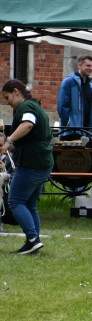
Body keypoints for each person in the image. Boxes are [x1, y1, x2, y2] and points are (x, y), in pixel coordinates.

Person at [0, 80, 54, 255]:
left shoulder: (26, 108)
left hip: (32, 162)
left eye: (7, 97)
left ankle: (32, 239)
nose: (6, 102)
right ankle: (33, 243)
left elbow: (28, 124)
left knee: (15, 201)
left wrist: (9, 141)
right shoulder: (33, 106)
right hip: (42, 161)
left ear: (16, 92)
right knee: (30, 204)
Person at [57, 55, 92, 135]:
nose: (91, 68)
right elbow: (62, 106)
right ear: (79, 65)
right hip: (71, 131)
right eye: (88, 65)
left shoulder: (90, 84)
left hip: (86, 131)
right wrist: (67, 125)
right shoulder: (69, 82)